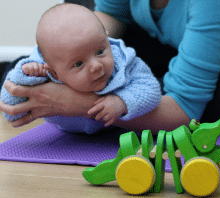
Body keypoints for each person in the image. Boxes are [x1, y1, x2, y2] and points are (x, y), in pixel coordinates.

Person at [0, 0, 220, 133]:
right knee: (73, 14)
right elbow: (109, 18)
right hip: (166, 44)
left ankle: (136, 101)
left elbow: (184, 109)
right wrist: (54, 62)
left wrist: (78, 103)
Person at [0, 3, 161, 133]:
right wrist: (25, 76)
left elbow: (151, 89)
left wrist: (123, 102)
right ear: (55, 72)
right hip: (65, 142)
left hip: (112, 137)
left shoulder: (124, 63)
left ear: (107, 39)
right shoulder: (44, 70)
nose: (96, 66)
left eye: (100, 51)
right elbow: (10, 111)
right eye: (79, 64)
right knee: (16, 67)